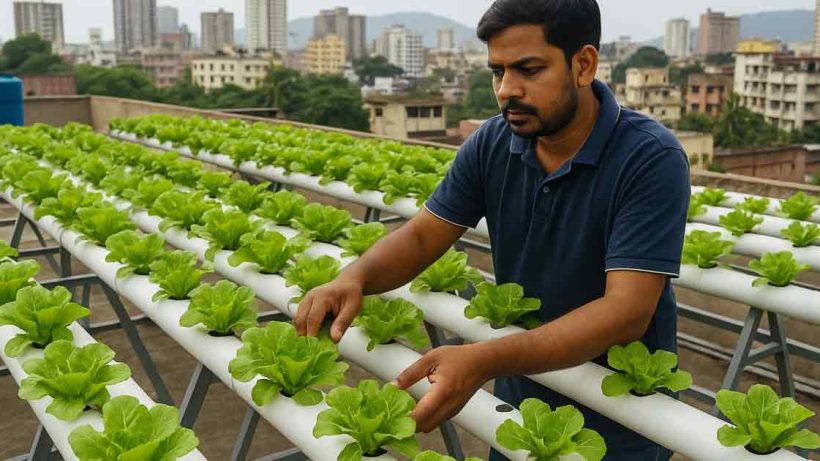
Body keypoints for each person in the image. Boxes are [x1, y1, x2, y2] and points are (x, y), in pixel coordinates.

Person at [295, 0, 690, 459]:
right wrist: (353, 279)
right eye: (498, 72)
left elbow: (626, 312)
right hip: (521, 402)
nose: (507, 90)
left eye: (528, 69)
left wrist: (483, 359)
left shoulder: (649, 158)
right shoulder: (493, 141)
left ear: (583, 65)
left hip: (620, 417)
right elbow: (425, 235)